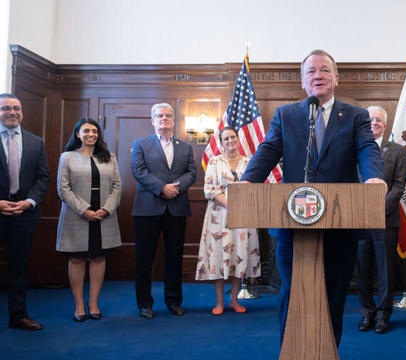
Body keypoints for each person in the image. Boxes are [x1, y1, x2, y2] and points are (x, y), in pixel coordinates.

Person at [241, 49, 384, 346]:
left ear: (336, 78)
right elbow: (268, 151)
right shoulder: (286, 114)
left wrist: (373, 176)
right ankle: (291, 351)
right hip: (292, 228)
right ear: (303, 81)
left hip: (339, 226)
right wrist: (246, 182)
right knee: (292, 296)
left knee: (333, 297)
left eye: (324, 70)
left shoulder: (355, 116)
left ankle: (328, 350)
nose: (317, 75)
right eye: (311, 71)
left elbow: (367, 149)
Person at [131, 103, 197, 319]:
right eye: (160, 116)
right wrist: (162, 188)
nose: (164, 119)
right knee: (144, 259)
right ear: (152, 120)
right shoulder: (141, 144)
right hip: (147, 209)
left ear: (173, 120)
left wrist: (174, 188)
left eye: (168, 116)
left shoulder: (185, 147)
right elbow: (138, 171)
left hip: (176, 208)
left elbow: (192, 173)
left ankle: (174, 301)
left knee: (174, 257)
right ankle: (145, 303)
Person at [56, 118, 122, 322]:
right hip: (77, 215)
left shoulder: (109, 157)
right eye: (86, 131)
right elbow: (63, 189)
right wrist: (84, 210)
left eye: (94, 131)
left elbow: (117, 186)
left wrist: (105, 209)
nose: (91, 134)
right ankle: (78, 305)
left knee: (99, 257)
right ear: (78, 134)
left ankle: (93, 302)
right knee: (76, 258)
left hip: (104, 216)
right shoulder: (67, 157)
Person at [195, 126, 261, 315]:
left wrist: (240, 207)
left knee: (238, 255)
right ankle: (219, 302)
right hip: (219, 216)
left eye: (233, 137)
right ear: (221, 142)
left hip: (244, 216)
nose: (230, 141)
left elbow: (255, 188)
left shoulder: (249, 162)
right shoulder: (215, 162)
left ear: (238, 139)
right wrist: (230, 206)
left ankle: (234, 300)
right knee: (219, 256)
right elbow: (209, 189)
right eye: (226, 139)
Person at [354, 106, 406, 334]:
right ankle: (367, 313)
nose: (374, 123)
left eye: (378, 120)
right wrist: (362, 209)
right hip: (358, 220)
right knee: (362, 269)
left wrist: (378, 208)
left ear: (385, 125)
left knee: (386, 270)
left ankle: (384, 315)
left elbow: (399, 184)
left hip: (386, 219)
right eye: (370, 120)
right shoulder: (353, 149)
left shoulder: (397, 150)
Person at [0, 93, 50, 330]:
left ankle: (18, 316)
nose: (12, 112)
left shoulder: (35, 142)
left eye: (16, 108)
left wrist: (29, 201)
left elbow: (43, 178)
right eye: (6, 108)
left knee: (19, 268)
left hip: (24, 214)